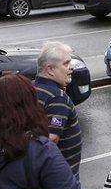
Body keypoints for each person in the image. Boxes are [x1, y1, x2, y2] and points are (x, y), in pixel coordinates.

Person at [34, 41, 82, 176]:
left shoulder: (31, 88)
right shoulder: (57, 97)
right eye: (66, 64)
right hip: (61, 176)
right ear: (50, 70)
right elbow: (52, 138)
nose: (71, 68)